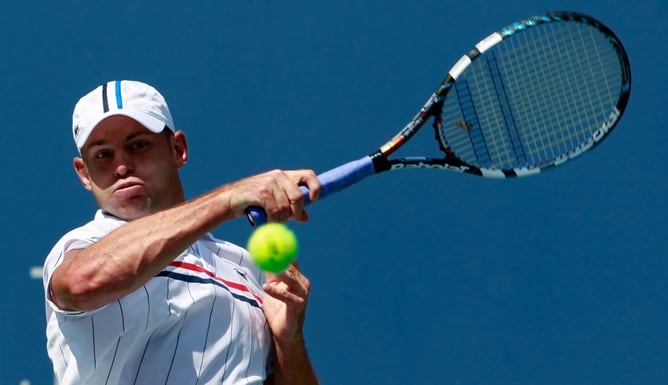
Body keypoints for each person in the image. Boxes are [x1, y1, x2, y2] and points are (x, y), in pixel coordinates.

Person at [43, 80, 321, 385]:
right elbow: (81, 283)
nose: (121, 166)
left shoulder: (249, 269)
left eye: (138, 145)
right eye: (103, 155)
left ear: (178, 149)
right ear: (84, 173)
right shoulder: (85, 243)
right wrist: (228, 198)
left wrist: (287, 341)